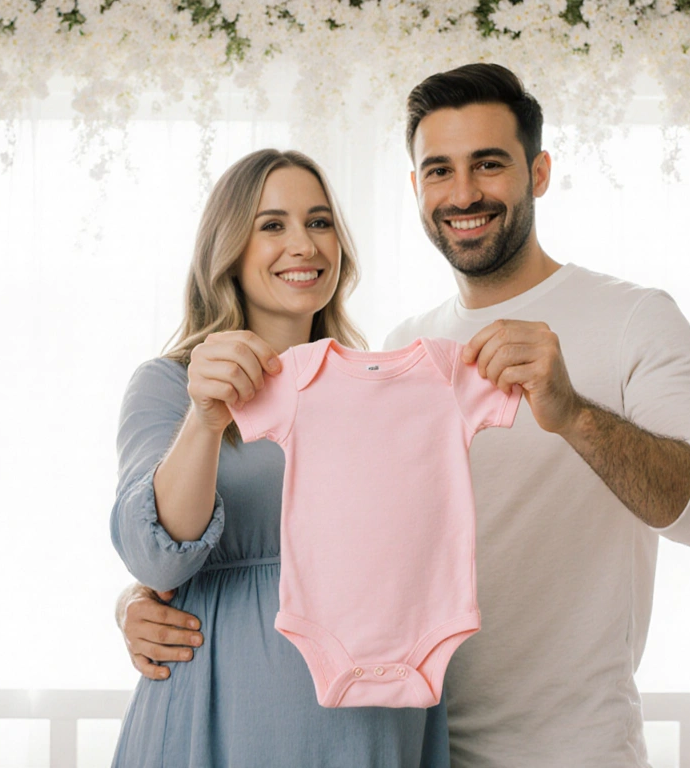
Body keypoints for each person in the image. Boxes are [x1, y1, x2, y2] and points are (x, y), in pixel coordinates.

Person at [119, 63, 690, 767]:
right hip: (405, 735)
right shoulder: (400, 349)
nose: (463, 193)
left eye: (489, 165)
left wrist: (572, 413)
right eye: (439, 170)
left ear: (538, 172)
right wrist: (138, 600)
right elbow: (306, 539)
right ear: (415, 188)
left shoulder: (633, 318)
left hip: (566, 750)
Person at [109, 148, 448, 767]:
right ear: (229, 250)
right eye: (272, 225)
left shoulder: (382, 391)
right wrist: (207, 418)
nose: (304, 245)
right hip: (218, 706)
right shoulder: (168, 386)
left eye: (320, 223)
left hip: (371, 720)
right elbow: (154, 555)